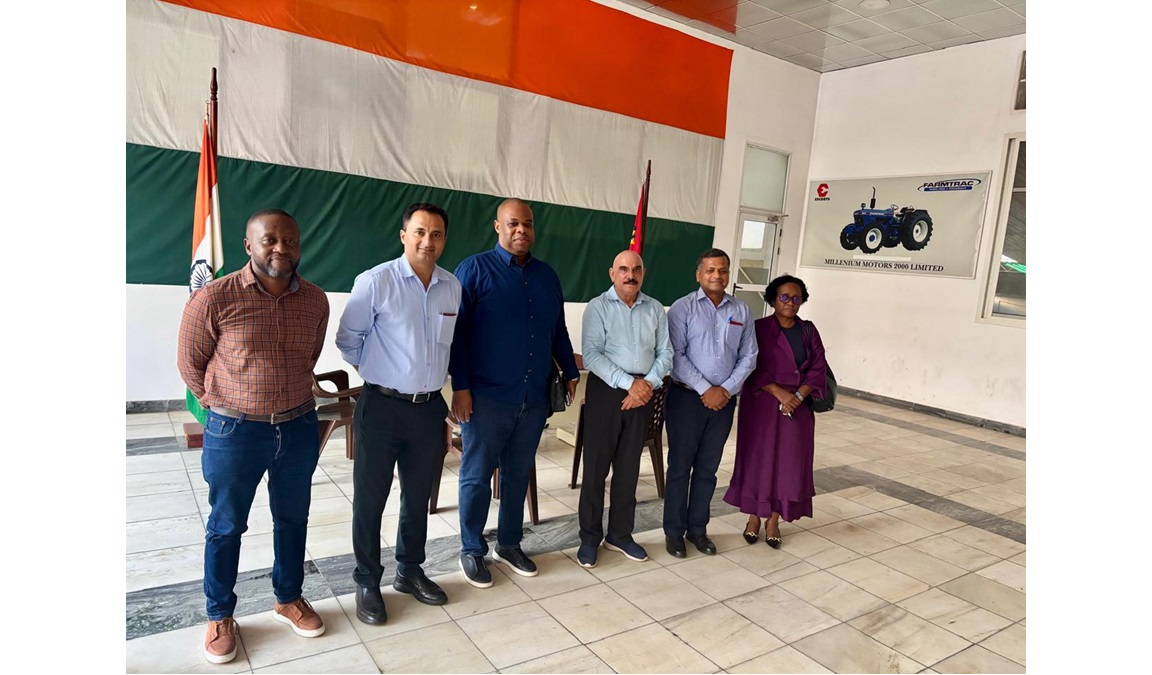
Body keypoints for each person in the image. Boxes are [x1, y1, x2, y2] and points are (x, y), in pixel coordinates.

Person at [177, 209, 330, 664]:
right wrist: (218, 402)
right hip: (235, 429)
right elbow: (190, 363)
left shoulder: (316, 301)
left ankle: (288, 597)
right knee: (227, 525)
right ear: (249, 245)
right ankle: (220, 614)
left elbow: (311, 355)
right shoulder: (213, 298)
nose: (281, 248)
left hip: (299, 425)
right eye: (270, 240)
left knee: (293, 517)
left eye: (289, 240)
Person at [335, 203, 462, 624]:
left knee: (417, 496)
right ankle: (367, 580)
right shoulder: (376, 282)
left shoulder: (451, 287)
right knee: (371, 499)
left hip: (428, 410)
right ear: (404, 234)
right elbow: (348, 339)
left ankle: (410, 571)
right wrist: (377, 371)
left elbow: (447, 346)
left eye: (437, 234)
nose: (429, 241)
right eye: (420, 232)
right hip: (382, 407)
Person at [449, 198, 580, 588]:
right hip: (486, 397)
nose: (521, 230)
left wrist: (570, 371)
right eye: (513, 224)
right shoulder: (473, 270)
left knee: (517, 473)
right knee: (475, 474)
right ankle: (472, 549)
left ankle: (509, 543)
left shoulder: (547, 276)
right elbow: (457, 337)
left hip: (533, 396)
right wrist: (461, 388)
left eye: (527, 224)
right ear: (497, 227)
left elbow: (558, 329)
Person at [577, 250, 672, 568]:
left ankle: (620, 534)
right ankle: (590, 538)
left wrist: (649, 383)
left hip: (643, 393)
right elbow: (591, 355)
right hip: (607, 393)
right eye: (623, 269)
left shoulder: (655, 308)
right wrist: (628, 384)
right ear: (611, 273)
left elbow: (666, 352)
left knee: (629, 471)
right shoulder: (598, 307)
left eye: (636, 269)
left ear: (643, 273)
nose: (630, 274)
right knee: (595, 471)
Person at [662, 249, 758, 558]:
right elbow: (676, 354)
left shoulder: (742, 311)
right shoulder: (682, 308)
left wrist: (725, 390)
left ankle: (698, 529)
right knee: (679, 468)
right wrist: (707, 389)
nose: (717, 275)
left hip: (724, 403)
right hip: (686, 399)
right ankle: (674, 532)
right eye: (711, 270)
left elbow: (749, 357)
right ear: (699, 274)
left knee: (707, 469)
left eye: (723, 271)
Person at [722, 274, 828, 549]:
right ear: (772, 299)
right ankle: (753, 518)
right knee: (759, 461)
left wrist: (797, 396)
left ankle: (773, 520)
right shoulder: (757, 328)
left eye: (796, 298)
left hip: (798, 408)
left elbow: (818, 369)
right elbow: (748, 365)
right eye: (784, 297)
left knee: (788, 465)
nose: (790, 303)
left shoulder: (809, 331)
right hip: (762, 405)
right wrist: (780, 393)